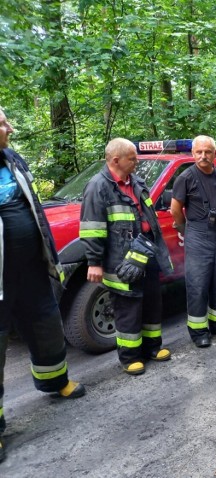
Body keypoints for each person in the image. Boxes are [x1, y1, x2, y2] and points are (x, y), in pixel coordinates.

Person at [0, 108, 85, 462]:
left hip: (32, 267)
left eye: (7, 119)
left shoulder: (12, 158)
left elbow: (32, 207)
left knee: (46, 323)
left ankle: (55, 381)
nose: (10, 126)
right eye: (2, 122)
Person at [82, 138, 173, 374]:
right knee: (128, 308)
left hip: (146, 254)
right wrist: (94, 262)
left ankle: (153, 348)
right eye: (132, 158)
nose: (137, 161)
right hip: (120, 260)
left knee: (152, 302)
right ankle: (130, 357)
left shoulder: (138, 183)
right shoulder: (97, 187)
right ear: (115, 160)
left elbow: (149, 218)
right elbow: (92, 228)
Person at [170, 135, 216, 348]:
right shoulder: (185, 178)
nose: (203, 156)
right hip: (197, 237)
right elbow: (175, 209)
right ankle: (198, 330)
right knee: (198, 284)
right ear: (193, 154)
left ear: (215, 154)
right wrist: (186, 230)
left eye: (207, 152)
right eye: (199, 152)